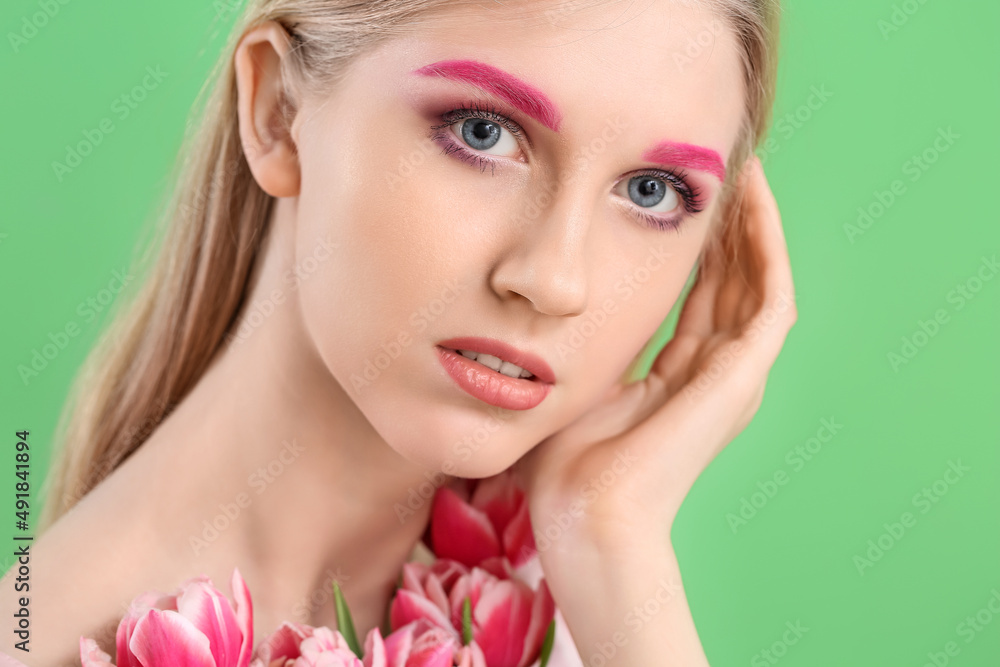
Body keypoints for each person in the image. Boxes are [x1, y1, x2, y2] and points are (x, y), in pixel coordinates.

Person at [1, 0, 793, 664]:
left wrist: (609, 540)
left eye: (651, 191)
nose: (555, 280)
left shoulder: (591, 591)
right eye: (484, 132)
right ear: (278, 109)